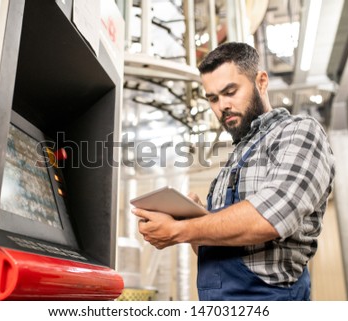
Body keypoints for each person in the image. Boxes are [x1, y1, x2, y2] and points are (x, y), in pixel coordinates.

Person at [132, 42, 335, 301]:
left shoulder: (298, 132)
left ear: (261, 82)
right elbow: (215, 249)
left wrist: (178, 230)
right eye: (213, 98)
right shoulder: (234, 161)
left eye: (230, 92)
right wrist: (190, 219)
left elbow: (269, 218)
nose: (222, 106)